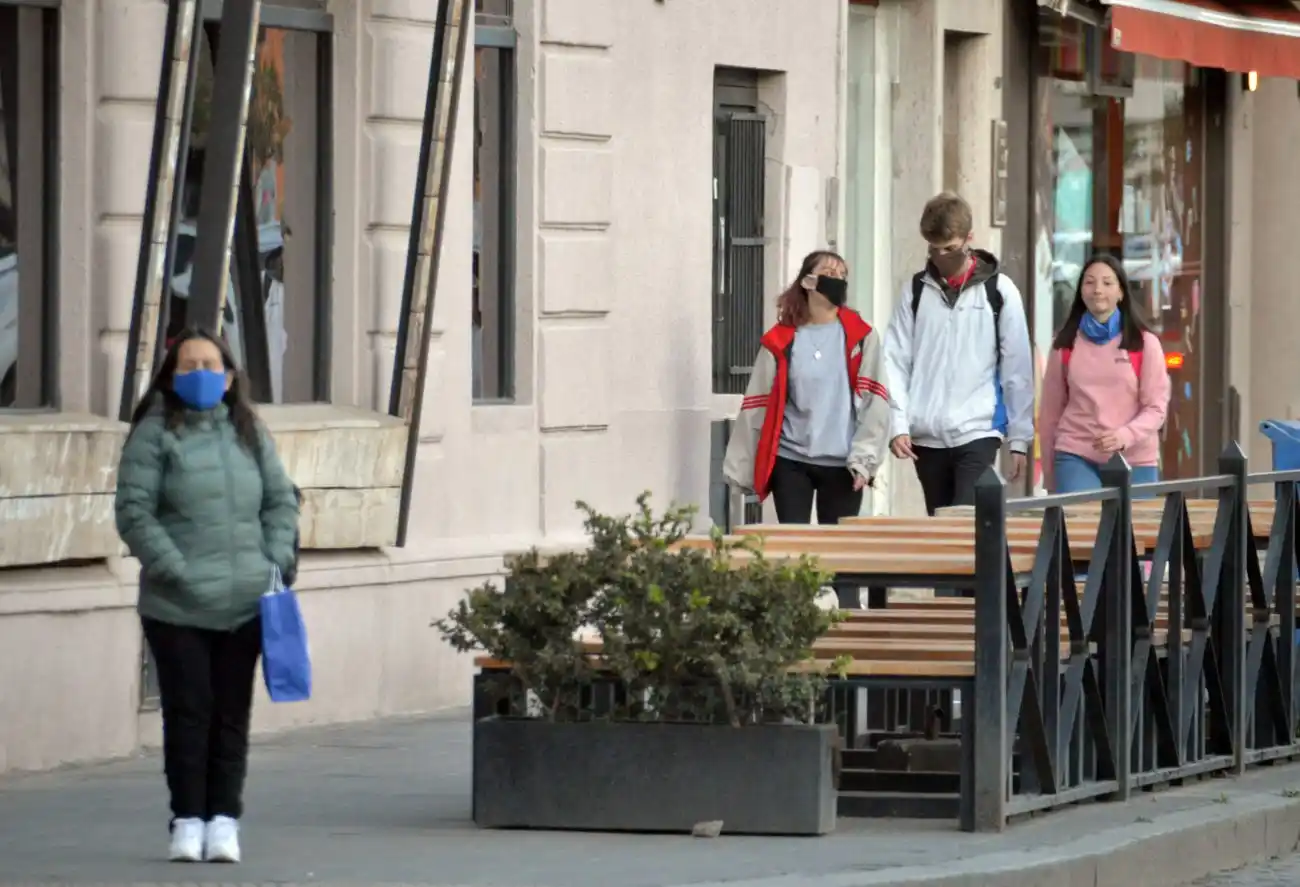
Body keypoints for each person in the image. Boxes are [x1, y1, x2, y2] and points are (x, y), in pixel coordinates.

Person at [115, 327, 300, 864]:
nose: (200, 374)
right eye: (188, 366)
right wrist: (174, 569)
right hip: (178, 605)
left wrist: (276, 558)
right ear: (171, 377)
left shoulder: (249, 432)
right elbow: (133, 511)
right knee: (189, 712)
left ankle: (224, 820)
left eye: (210, 366)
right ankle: (187, 820)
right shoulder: (154, 434)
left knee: (231, 715)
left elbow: (280, 500)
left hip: (246, 601)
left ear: (229, 377)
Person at [723, 250, 892, 607]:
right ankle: (797, 635)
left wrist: (865, 460)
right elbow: (758, 404)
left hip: (843, 463)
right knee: (794, 557)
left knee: (841, 562)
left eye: (842, 273)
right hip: (792, 460)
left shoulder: (861, 337)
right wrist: (739, 468)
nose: (836, 277)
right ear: (808, 282)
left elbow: (876, 402)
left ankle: (848, 638)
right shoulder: (782, 341)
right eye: (828, 271)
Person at [883, 191, 1034, 515]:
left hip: (979, 430)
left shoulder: (999, 291)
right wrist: (898, 424)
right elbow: (894, 360)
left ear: (969, 239)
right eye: (933, 249)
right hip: (925, 435)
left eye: (949, 249)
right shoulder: (915, 291)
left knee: (964, 522)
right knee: (940, 528)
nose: (941, 257)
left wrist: (1019, 438)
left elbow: (1017, 367)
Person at [1038, 254, 1170, 492]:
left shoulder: (1144, 344)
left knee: (1135, 530)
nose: (1097, 290)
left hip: (1135, 458)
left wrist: (1125, 436)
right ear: (1080, 292)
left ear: (1121, 293)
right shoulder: (1065, 344)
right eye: (1089, 282)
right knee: (1084, 527)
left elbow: (1156, 408)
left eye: (1107, 283)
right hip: (1076, 454)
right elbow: (1050, 414)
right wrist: (1050, 477)